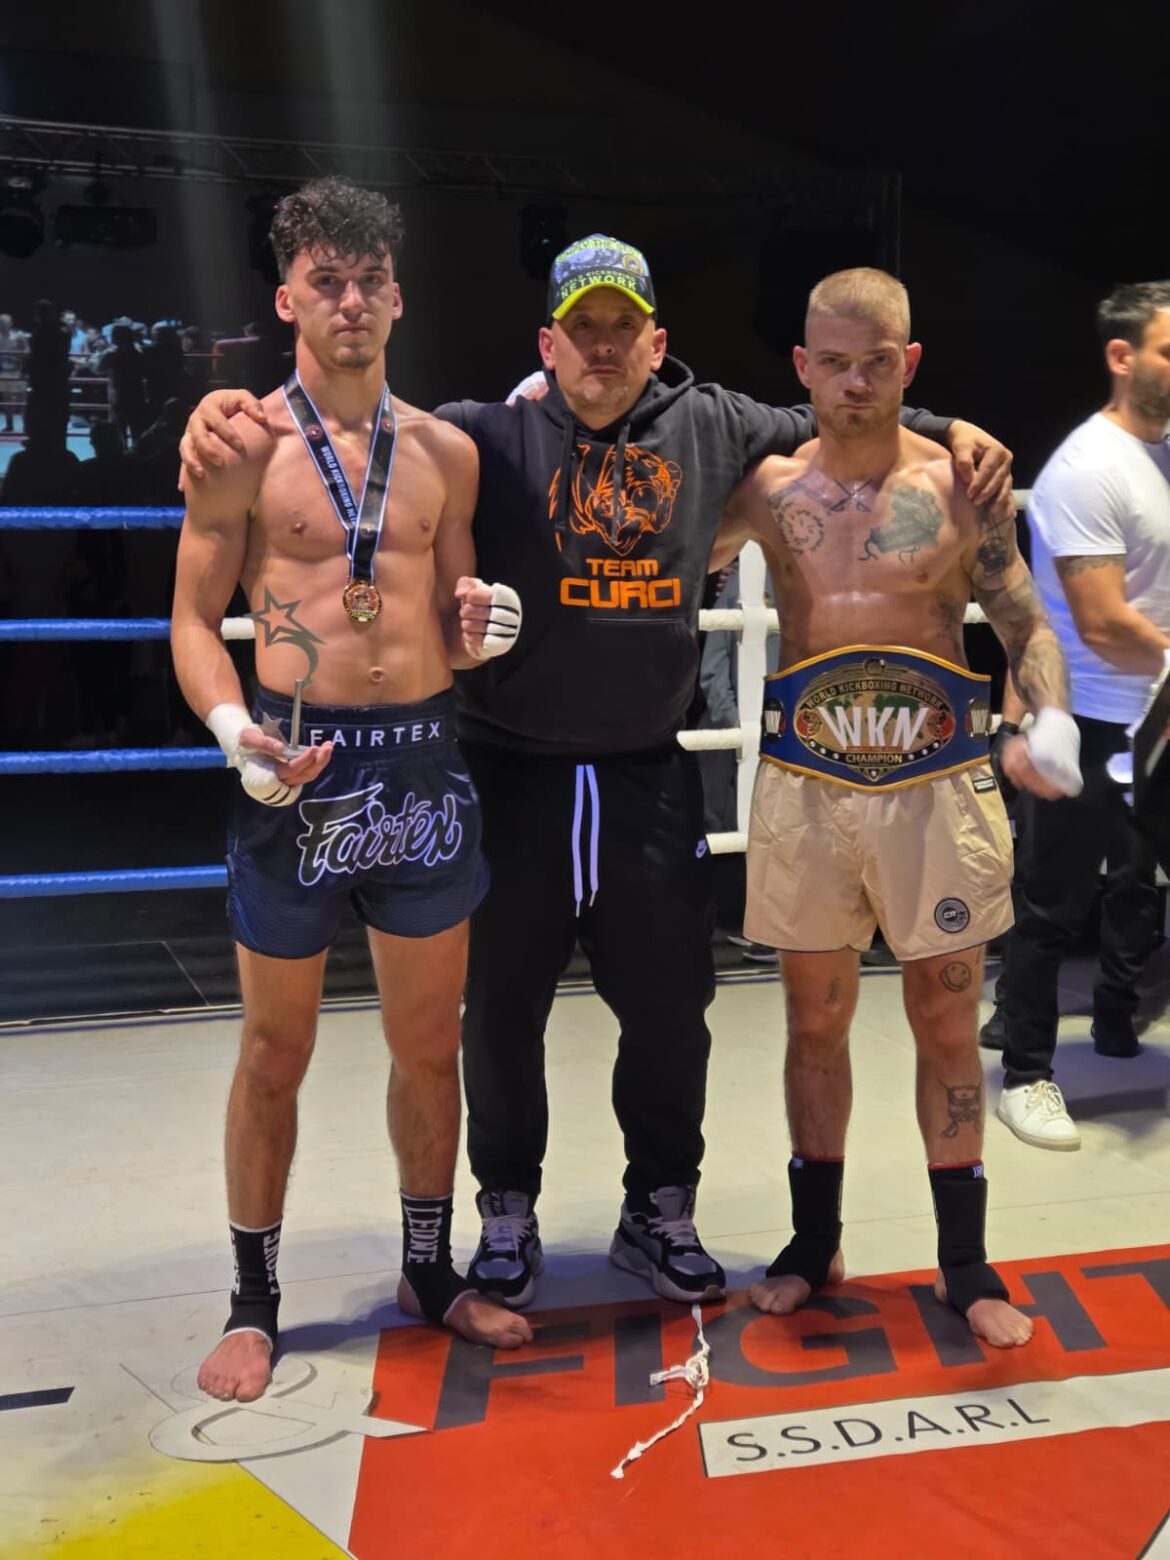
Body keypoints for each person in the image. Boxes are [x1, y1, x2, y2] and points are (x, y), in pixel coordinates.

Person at [179, 234, 1015, 1315]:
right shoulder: (483, 435)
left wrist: (956, 429)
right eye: (583, 331)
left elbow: (853, 406)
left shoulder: (715, 422)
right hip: (510, 768)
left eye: (625, 329)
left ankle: (659, 1207)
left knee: (671, 1009)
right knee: (501, 1012)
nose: (604, 348)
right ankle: (507, 1210)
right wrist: (222, 409)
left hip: (645, 770)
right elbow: (360, 426)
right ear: (549, 344)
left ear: (656, 343)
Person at [170, 176, 528, 1405]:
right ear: (288, 299)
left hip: (422, 762)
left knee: (430, 1043)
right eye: (327, 281)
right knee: (275, 1048)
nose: (352, 302)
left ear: (399, 298)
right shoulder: (239, 447)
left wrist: (485, 625)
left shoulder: (447, 454)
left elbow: (461, 622)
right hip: (294, 765)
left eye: (370, 281)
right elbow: (193, 620)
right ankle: (253, 1300)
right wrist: (235, 731)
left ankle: (429, 1271)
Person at [714, 267, 1082, 1347]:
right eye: (833, 363)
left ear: (909, 363)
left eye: (877, 363)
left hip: (936, 788)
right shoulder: (765, 487)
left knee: (945, 1023)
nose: (855, 383)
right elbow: (654, 571)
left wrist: (1049, 717)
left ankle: (965, 1263)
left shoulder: (962, 488)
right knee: (813, 1022)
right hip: (809, 788)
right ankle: (812, 1240)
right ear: (802, 366)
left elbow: (1025, 622)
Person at [990, 281, 1170, 1151]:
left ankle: (1109, 1025)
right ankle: (1026, 1076)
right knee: (1053, 907)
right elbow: (1099, 622)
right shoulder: (1089, 466)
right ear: (1122, 356)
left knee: (1132, 896)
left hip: (1161, 714)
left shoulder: (1164, 457)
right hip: (1090, 720)